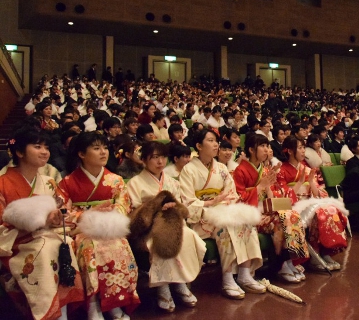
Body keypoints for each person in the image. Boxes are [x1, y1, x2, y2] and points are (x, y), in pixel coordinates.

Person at [0, 127, 84, 320]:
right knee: (45, 249)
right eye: (37, 146)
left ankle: (60, 312)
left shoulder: (48, 182)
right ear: (20, 152)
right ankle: (51, 314)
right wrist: (35, 223)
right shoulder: (2, 183)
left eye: (46, 147)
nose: (45, 151)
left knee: (63, 245)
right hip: (16, 243)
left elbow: (64, 212)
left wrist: (60, 218)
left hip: (50, 236)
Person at [58, 132, 140, 320]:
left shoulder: (116, 181)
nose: (103, 152)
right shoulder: (68, 182)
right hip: (83, 231)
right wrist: (89, 214)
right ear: (81, 154)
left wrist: (109, 216)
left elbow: (123, 205)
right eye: (96, 148)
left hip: (110, 227)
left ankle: (115, 303)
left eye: (104, 147)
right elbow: (63, 212)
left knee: (119, 246)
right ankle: (93, 305)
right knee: (90, 249)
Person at [179, 130, 266, 299]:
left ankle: (244, 272)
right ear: (198, 146)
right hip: (201, 217)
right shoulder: (188, 170)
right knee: (224, 227)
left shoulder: (221, 168)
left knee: (246, 220)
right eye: (210, 141)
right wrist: (209, 204)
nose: (215, 144)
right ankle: (227, 277)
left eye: (216, 141)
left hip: (221, 208)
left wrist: (223, 204)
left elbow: (232, 193)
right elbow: (186, 202)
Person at [126, 141, 205, 312]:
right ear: (144, 159)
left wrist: (174, 208)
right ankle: (163, 286)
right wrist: (155, 208)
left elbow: (183, 206)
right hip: (148, 229)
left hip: (174, 223)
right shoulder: (135, 183)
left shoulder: (172, 182)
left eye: (162, 157)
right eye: (154, 157)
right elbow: (133, 213)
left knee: (188, 236)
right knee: (160, 239)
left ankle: (179, 281)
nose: (160, 161)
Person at [233, 133, 310, 283]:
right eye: (262, 146)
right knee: (280, 222)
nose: (266, 149)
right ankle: (281, 265)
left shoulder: (266, 169)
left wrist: (268, 189)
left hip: (266, 210)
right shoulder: (240, 170)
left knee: (292, 215)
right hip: (251, 213)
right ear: (250, 149)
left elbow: (274, 192)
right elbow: (239, 197)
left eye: (267, 145)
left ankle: (289, 261)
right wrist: (261, 186)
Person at [277, 136, 348, 271]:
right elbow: (283, 196)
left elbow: (318, 193)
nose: (303, 151)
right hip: (294, 206)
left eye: (304, 147)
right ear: (290, 151)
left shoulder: (306, 168)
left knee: (331, 210)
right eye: (300, 148)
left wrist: (310, 182)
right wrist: (299, 182)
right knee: (320, 214)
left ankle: (325, 251)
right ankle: (315, 255)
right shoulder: (282, 170)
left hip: (309, 202)